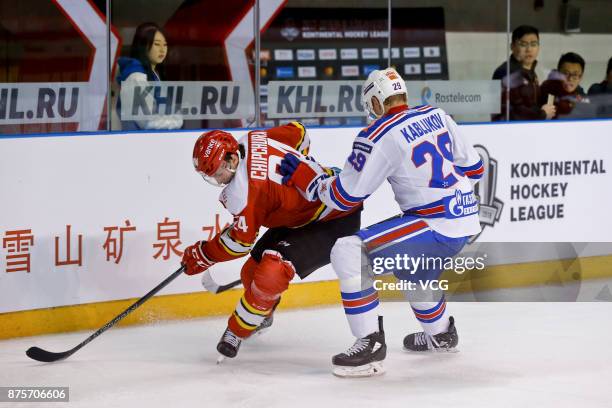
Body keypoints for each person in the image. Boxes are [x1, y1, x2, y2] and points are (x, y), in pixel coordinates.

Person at [280, 68, 484, 377]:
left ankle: (370, 343)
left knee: (349, 251)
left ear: (376, 101)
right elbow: (476, 169)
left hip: (435, 223)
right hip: (466, 218)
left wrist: (308, 180)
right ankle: (441, 334)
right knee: (414, 267)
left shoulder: (378, 134)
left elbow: (345, 197)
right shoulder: (438, 114)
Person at [181, 122, 361, 360]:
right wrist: (303, 171)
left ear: (232, 158)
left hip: (333, 219)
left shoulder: (243, 192)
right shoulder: (252, 138)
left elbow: (238, 243)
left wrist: (205, 255)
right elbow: (299, 132)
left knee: (270, 274)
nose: (216, 179)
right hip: (305, 213)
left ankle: (235, 331)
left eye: (216, 172)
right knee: (250, 275)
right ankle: (262, 314)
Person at [116, 22, 183, 130]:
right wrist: (176, 121)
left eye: (165, 44)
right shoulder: (136, 76)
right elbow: (147, 121)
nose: (162, 49)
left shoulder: (153, 74)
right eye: (156, 44)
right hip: (139, 143)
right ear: (143, 46)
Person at [492, 25, 556, 121]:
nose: (529, 49)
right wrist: (542, 114)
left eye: (533, 44)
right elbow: (512, 112)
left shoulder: (531, 73)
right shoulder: (506, 72)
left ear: (538, 47)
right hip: (509, 131)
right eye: (523, 44)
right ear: (512, 46)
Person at [539, 52, 588, 118]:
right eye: (566, 74)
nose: (570, 79)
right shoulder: (545, 91)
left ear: (581, 77)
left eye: (575, 75)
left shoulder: (582, 97)